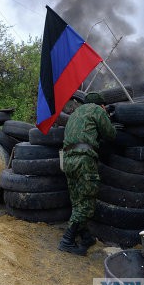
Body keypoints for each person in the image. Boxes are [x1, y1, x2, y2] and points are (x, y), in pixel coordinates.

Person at [58, 92, 116, 256]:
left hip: (68, 160)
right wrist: (108, 118)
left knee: (77, 201)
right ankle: (67, 241)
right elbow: (111, 135)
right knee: (87, 203)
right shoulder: (98, 111)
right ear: (102, 105)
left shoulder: (75, 114)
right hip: (84, 160)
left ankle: (86, 237)